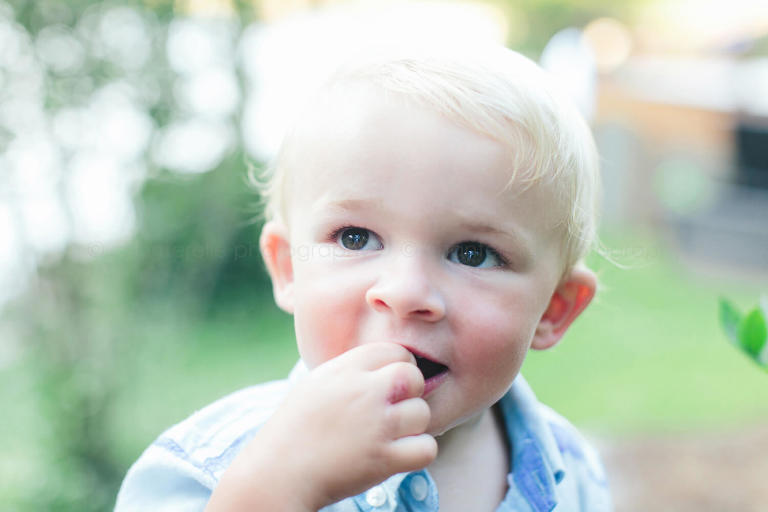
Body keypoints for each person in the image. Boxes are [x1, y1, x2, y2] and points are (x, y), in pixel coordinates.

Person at [115, 42, 612, 511]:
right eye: (355, 238)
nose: (405, 292)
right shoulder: (205, 469)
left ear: (553, 309)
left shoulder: (573, 470)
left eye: (473, 253)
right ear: (289, 268)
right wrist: (275, 489)